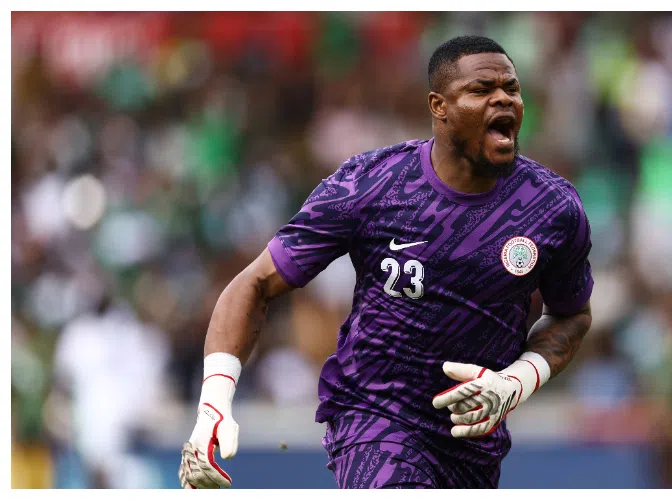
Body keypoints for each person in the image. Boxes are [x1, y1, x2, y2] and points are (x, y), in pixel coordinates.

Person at [178, 35, 593, 490]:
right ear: (439, 106)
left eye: (511, 88)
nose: (503, 99)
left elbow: (571, 315)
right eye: (481, 90)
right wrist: (213, 403)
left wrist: (516, 382)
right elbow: (255, 282)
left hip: (474, 444)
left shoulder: (552, 208)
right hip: (375, 420)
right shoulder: (372, 185)